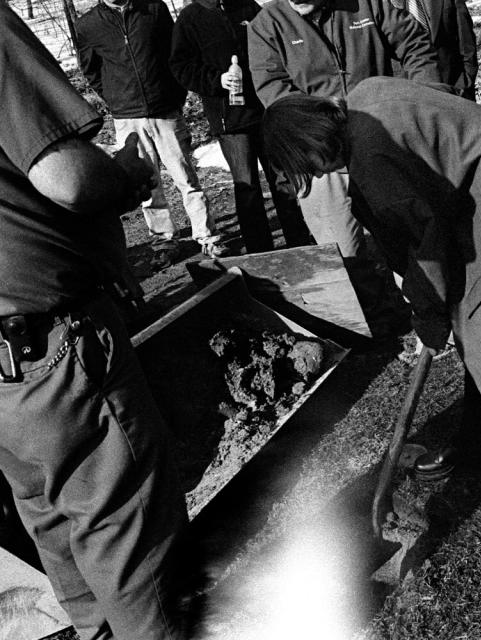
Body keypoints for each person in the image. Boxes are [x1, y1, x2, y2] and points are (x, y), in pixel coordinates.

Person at [262, 77, 481, 525]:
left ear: (313, 140)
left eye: (308, 164)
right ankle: (474, 438)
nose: (318, 174)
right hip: (476, 185)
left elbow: (429, 242)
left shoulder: (372, 153)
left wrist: (428, 310)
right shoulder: (362, 100)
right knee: (474, 322)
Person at [0, 4, 193, 638]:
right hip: (48, 350)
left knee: (56, 531)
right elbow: (69, 180)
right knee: (130, 543)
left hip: (8, 381)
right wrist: (130, 175)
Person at [247, 0, 442, 337]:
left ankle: (430, 308)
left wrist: (425, 101)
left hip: (381, 137)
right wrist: (323, 124)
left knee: (410, 227)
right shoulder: (267, 26)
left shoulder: (366, 3)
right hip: (321, 151)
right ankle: (378, 320)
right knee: (342, 249)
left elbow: (414, 43)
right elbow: (274, 93)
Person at [77, 0, 230, 268]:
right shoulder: (88, 24)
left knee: (185, 176)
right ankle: (164, 241)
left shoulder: (153, 9)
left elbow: (174, 54)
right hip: (127, 117)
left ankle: (207, 236)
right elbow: (91, 70)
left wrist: (174, 95)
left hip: (165, 110)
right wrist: (116, 99)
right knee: (147, 184)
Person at [169, 0, 314, 254]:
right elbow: (181, 67)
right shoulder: (190, 18)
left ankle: (299, 242)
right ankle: (260, 251)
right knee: (247, 186)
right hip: (230, 119)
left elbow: (273, 42)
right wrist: (218, 80)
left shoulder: (246, 5)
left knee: (282, 179)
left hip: (265, 110)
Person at [405, 0, 479, 100]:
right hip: (407, 98)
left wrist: (465, 84)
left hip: (454, 91)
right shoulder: (384, 5)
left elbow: (466, 41)